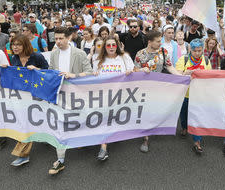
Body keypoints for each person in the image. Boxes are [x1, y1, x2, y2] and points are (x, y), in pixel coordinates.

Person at [48, 27, 93, 175]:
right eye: (56, 38)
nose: (58, 41)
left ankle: (80, 139)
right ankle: (59, 160)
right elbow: (50, 71)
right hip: (60, 96)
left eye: (61, 38)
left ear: (69, 38)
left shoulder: (79, 54)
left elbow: (90, 72)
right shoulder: (53, 53)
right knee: (59, 126)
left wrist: (74, 75)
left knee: (79, 120)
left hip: (78, 96)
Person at [134, 30, 180, 153]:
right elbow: (134, 71)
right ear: (150, 42)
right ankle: (146, 137)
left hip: (158, 88)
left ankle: (153, 128)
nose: (161, 43)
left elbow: (169, 66)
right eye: (158, 41)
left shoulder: (163, 52)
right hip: (144, 89)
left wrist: (181, 77)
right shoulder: (140, 54)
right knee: (146, 111)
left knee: (155, 110)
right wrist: (141, 70)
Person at [9, 34, 49, 167]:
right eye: (13, 44)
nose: (15, 47)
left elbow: (49, 72)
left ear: (25, 45)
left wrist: (37, 70)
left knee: (42, 119)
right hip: (23, 97)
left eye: (18, 44)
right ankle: (23, 154)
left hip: (39, 95)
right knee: (24, 123)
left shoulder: (37, 56)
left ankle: (47, 136)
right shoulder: (13, 58)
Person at [93, 35, 134, 161]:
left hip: (121, 96)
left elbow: (133, 71)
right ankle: (103, 148)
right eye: (108, 45)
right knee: (104, 119)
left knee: (115, 119)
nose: (111, 47)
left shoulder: (124, 57)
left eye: (113, 45)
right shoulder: (98, 59)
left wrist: (130, 72)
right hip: (104, 96)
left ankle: (114, 134)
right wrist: (94, 75)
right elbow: (94, 77)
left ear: (117, 45)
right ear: (105, 47)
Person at [175, 39, 211, 155]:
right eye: (194, 51)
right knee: (184, 113)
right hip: (185, 93)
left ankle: (197, 141)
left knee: (197, 117)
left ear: (202, 50)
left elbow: (210, 76)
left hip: (199, 95)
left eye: (199, 51)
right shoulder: (184, 59)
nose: (197, 53)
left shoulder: (206, 60)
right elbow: (178, 75)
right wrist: (189, 73)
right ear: (190, 50)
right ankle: (184, 127)